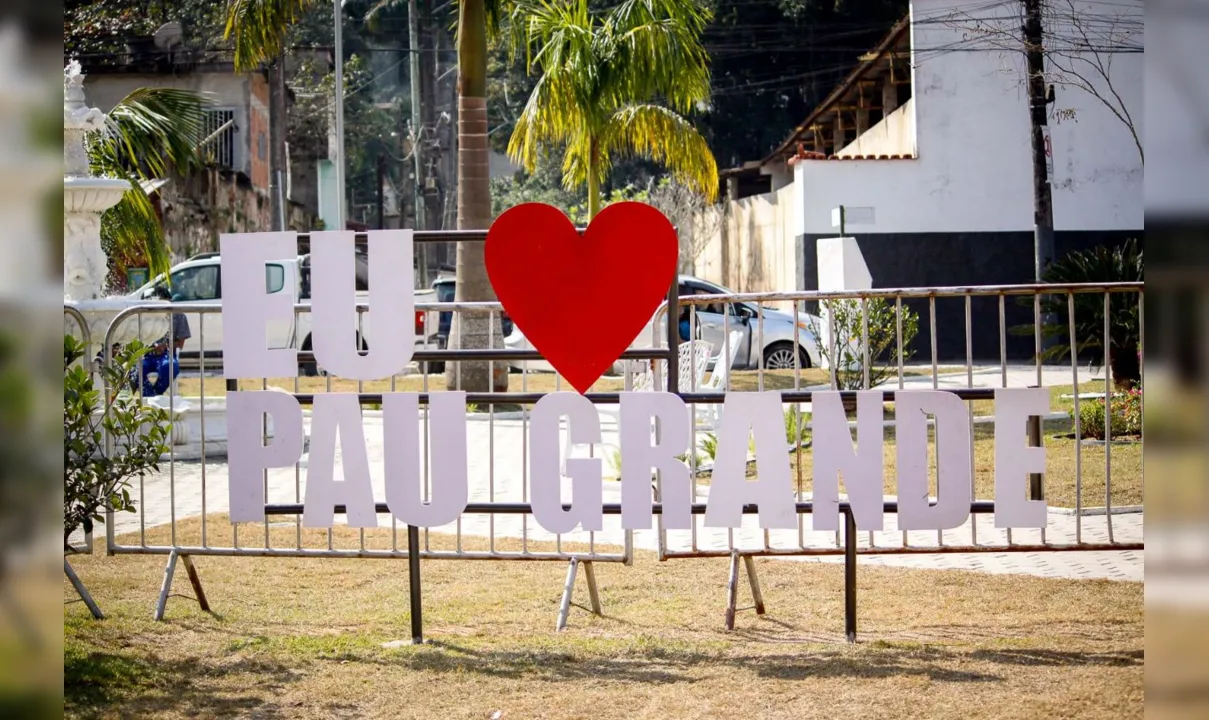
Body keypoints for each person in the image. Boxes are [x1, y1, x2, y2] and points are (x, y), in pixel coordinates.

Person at [131, 285, 191, 397]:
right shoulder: (140, 316)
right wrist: (149, 348)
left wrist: (165, 346)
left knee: (170, 366)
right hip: (145, 355)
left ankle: (155, 395)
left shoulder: (178, 315)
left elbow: (180, 344)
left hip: (166, 355)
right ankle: (150, 396)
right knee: (135, 369)